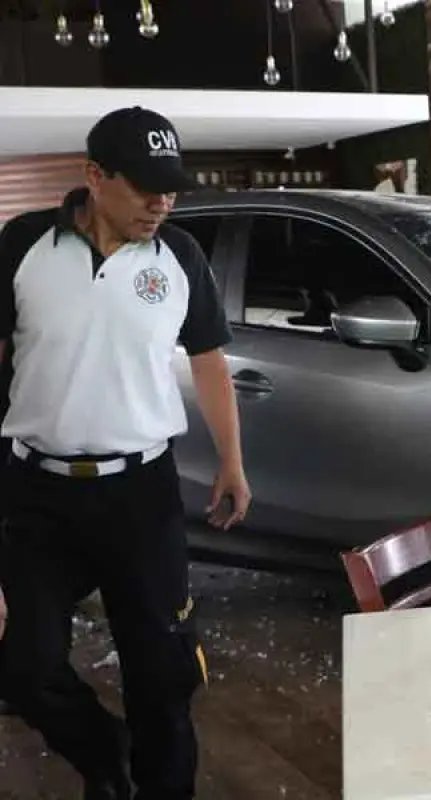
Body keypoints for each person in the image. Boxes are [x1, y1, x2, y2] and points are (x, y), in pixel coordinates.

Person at [0, 106, 251, 800]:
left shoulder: (180, 258)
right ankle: (101, 751)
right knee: (24, 666)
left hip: (141, 496)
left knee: (161, 676)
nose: (161, 202)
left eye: (170, 187)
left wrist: (232, 461)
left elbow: (207, 361)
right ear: (94, 177)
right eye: (144, 186)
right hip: (37, 493)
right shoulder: (22, 245)